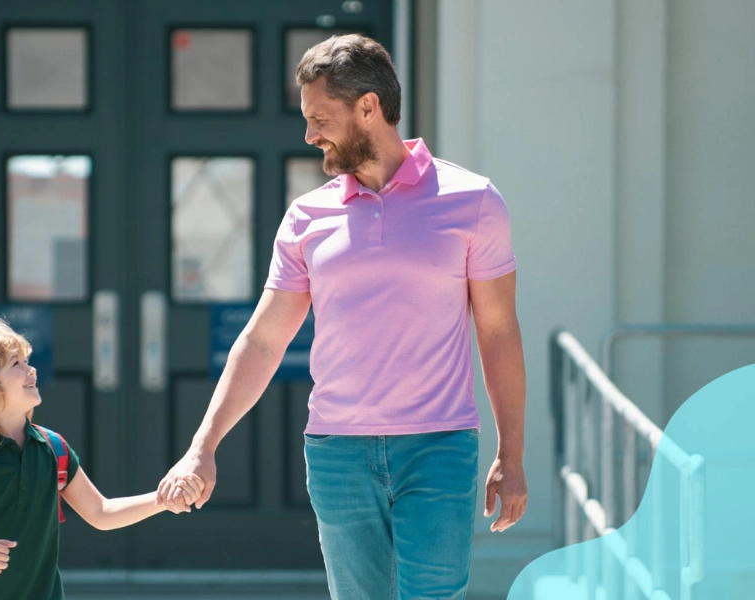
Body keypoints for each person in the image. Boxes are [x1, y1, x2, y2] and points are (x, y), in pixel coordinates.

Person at [157, 33, 528, 599]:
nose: (310, 135)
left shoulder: (472, 201)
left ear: (368, 107)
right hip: (337, 453)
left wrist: (512, 452)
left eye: (319, 117)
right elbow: (263, 340)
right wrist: (202, 447)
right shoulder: (307, 216)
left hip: (438, 446)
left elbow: (498, 331)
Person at [0, 317, 204, 600]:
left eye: (27, 361)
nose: (31, 370)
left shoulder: (52, 448)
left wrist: (162, 500)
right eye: (16, 364)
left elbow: (101, 512)